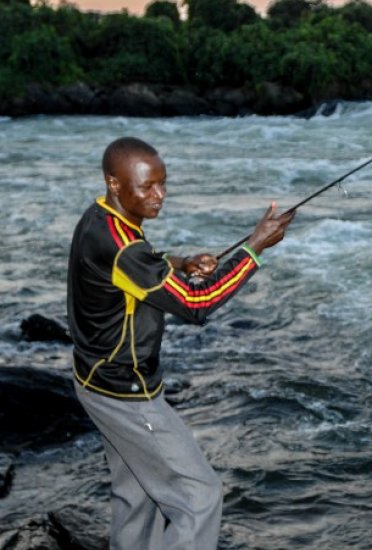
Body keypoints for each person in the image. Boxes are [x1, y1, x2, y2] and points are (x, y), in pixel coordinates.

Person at [66, 136, 294, 549]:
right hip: (126, 395)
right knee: (199, 497)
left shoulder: (98, 221)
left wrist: (179, 263)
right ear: (114, 184)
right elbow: (196, 304)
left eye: (163, 183)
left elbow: (139, 265)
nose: (159, 195)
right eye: (146, 187)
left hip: (94, 383)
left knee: (138, 496)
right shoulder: (123, 246)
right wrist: (255, 247)